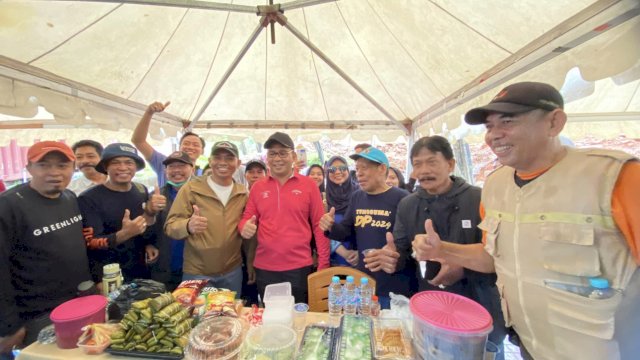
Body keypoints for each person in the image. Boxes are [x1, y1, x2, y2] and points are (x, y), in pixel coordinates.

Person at [413, 82, 640, 360]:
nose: (494, 136)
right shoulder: (496, 186)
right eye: (488, 127)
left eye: (507, 121)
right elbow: (492, 257)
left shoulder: (614, 177)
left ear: (554, 122)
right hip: (530, 347)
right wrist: (442, 250)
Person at [389, 135, 506, 359]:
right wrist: (391, 257)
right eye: (417, 164)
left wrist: (461, 266)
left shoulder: (479, 199)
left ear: (450, 164)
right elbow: (401, 250)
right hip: (430, 306)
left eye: (431, 162)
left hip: (478, 307)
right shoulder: (408, 204)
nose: (423, 171)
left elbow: (499, 256)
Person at [0, 141, 91, 356]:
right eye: (43, 165)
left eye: (62, 165)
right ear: (29, 168)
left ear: (73, 168)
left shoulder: (69, 198)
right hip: (35, 316)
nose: (54, 173)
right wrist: (9, 326)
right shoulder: (9, 205)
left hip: (75, 305)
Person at [239, 132, 330, 303]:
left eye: (283, 152)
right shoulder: (258, 187)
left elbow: (320, 226)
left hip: (300, 267)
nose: (277, 158)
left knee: (299, 318)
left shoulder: (309, 185)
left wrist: (323, 264)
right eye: (272, 153)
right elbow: (246, 219)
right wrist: (244, 227)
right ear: (267, 158)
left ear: (293, 156)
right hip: (265, 268)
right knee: (271, 320)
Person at [319, 147, 413, 308]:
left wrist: (396, 254)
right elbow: (346, 232)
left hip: (395, 282)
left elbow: (412, 243)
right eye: (357, 169)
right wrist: (330, 226)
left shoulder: (403, 199)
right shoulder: (357, 197)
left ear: (382, 168)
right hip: (364, 281)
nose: (359, 173)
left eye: (365, 168)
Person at [165, 141, 253, 296]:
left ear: (238, 163)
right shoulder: (191, 189)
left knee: (229, 318)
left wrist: (251, 264)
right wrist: (188, 226)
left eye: (229, 158)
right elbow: (170, 226)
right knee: (197, 318)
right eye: (217, 157)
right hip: (197, 272)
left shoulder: (243, 193)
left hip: (232, 271)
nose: (223, 163)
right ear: (210, 161)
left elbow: (247, 233)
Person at [78, 143, 162, 282]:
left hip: (141, 269)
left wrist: (149, 241)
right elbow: (92, 242)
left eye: (129, 162)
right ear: (105, 167)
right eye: (115, 163)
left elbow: (145, 225)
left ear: (135, 167)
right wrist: (125, 233)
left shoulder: (141, 190)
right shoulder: (88, 198)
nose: (123, 168)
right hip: (109, 275)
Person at [131, 101, 206, 187]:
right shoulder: (163, 162)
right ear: (179, 147)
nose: (190, 147)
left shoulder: (204, 175)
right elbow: (138, 141)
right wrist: (149, 113)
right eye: (186, 143)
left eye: (196, 145)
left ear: (202, 151)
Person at [149, 151, 193, 291]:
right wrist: (150, 210)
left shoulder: (203, 194)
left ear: (192, 168)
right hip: (164, 266)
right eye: (172, 167)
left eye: (181, 166)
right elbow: (147, 231)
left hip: (195, 266)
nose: (177, 170)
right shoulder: (156, 196)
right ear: (165, 171)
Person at [324, 156, 358, 267]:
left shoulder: (360, 194)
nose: (338, 172)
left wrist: (359, 253)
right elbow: (321, 230)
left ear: (348, 170)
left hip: (360, 256)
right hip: (334, 260)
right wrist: (344, 252)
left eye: (342, 168)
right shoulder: (323, 198)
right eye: (332, 169)